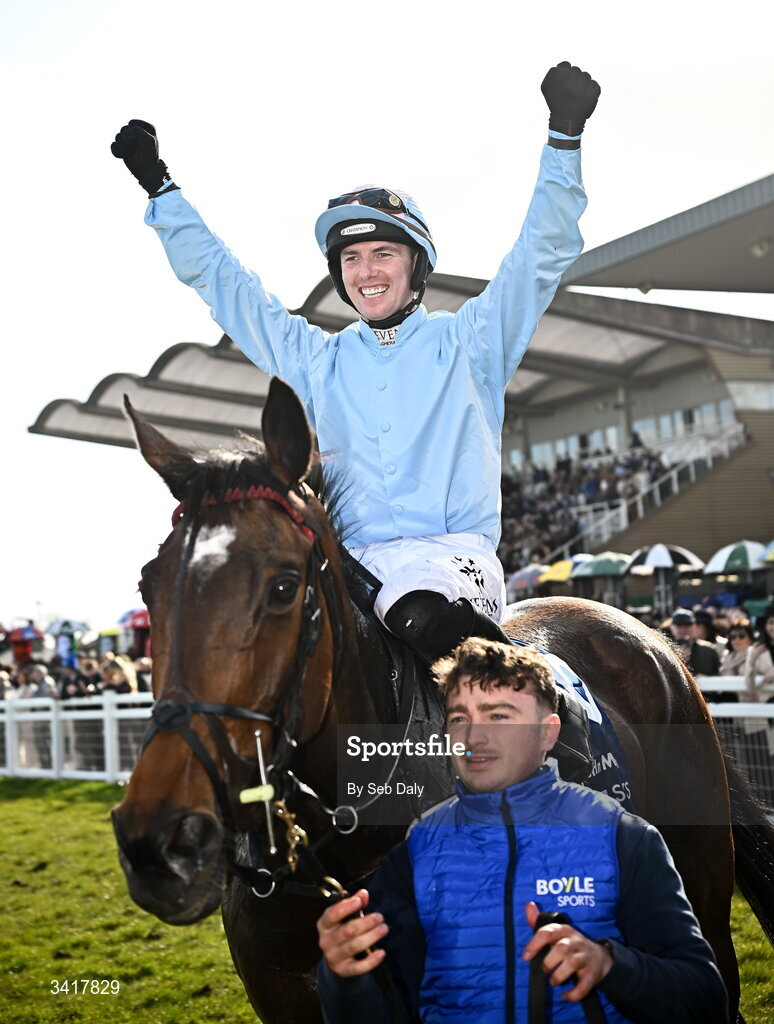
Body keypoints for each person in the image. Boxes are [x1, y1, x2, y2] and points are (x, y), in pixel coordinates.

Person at [111, 62, 599, 659]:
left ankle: (548, 748)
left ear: (414, 265)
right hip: (350, 571)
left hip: (450, 566)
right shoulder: (318, 359)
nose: (366, 271)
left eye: (383, 253)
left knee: (419, 614)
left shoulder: (473, 341)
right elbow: (226, 286)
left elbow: (540, 253)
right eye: (352, 259)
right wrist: (162, 190)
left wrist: (563, 140)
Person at [316, 639, 728, 1024]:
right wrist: (344, 974)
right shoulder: (417, 849)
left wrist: (609, 964)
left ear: (548, 732)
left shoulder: (624, 838)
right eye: (460, 718)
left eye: (499, 716)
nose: (474, 737)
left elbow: (704, 999)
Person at [668, 609, 720, 677]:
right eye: (679, 626)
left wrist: (707, 678)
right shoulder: (666, 650)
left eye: (687, 625)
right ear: (672, 628)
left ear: (695, 626)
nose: (683, 630)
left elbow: (719, 675)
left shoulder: (708, 650)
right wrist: (678, 660)